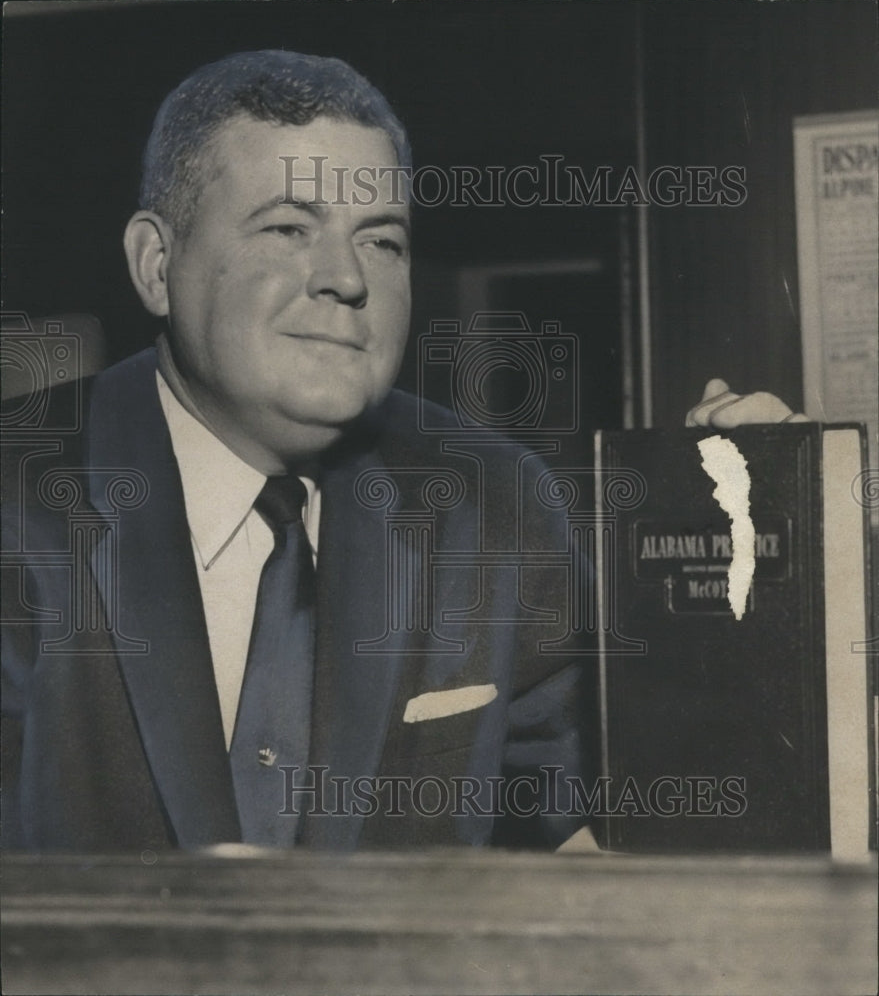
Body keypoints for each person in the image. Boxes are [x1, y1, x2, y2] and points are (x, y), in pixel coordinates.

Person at [0, 50, 804, 853]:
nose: (346, 278)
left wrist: (751, 560)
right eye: (286, 228)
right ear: (156, 264)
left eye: (380, 241)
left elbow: (593, 841)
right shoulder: (18, 497)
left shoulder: (495, 504)